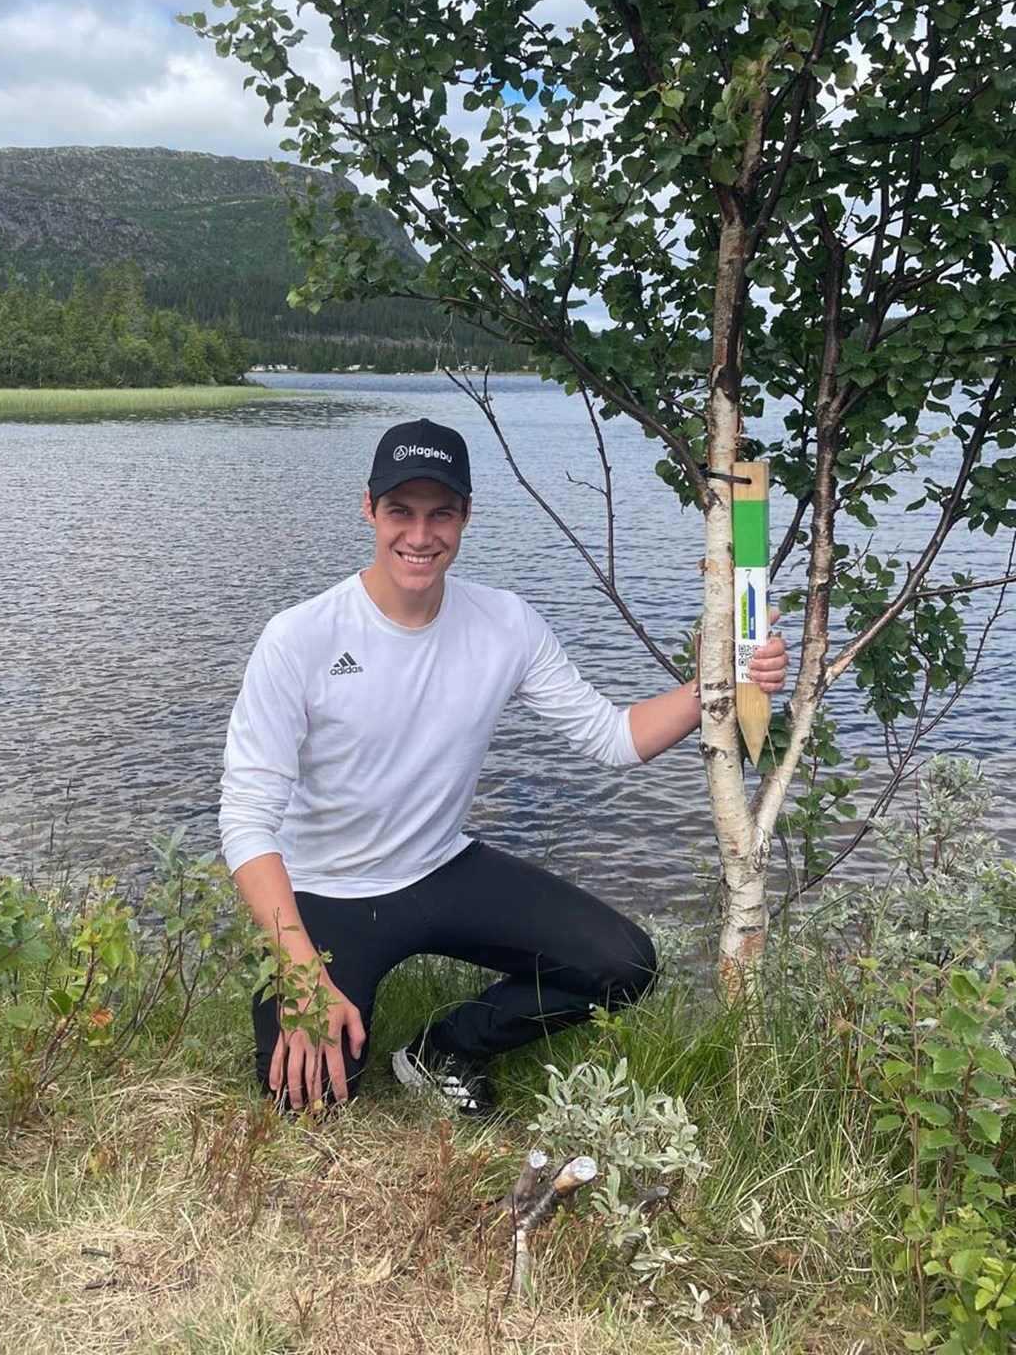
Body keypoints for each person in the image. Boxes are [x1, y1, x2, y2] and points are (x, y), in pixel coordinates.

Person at [219, 418, 786, 1115]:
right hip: (327, 891)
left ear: (466, 517)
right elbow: (247, 822)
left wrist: (719, 685)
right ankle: (310, 1009)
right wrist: (301, 969)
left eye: (441, 514)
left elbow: (611, 736)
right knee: (304, 1101)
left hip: (440, 868)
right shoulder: (300, 638)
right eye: (401, 511)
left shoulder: (505, 624)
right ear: (369, 508)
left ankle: (445, 1048)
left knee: (621, 963)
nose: (420, 536)